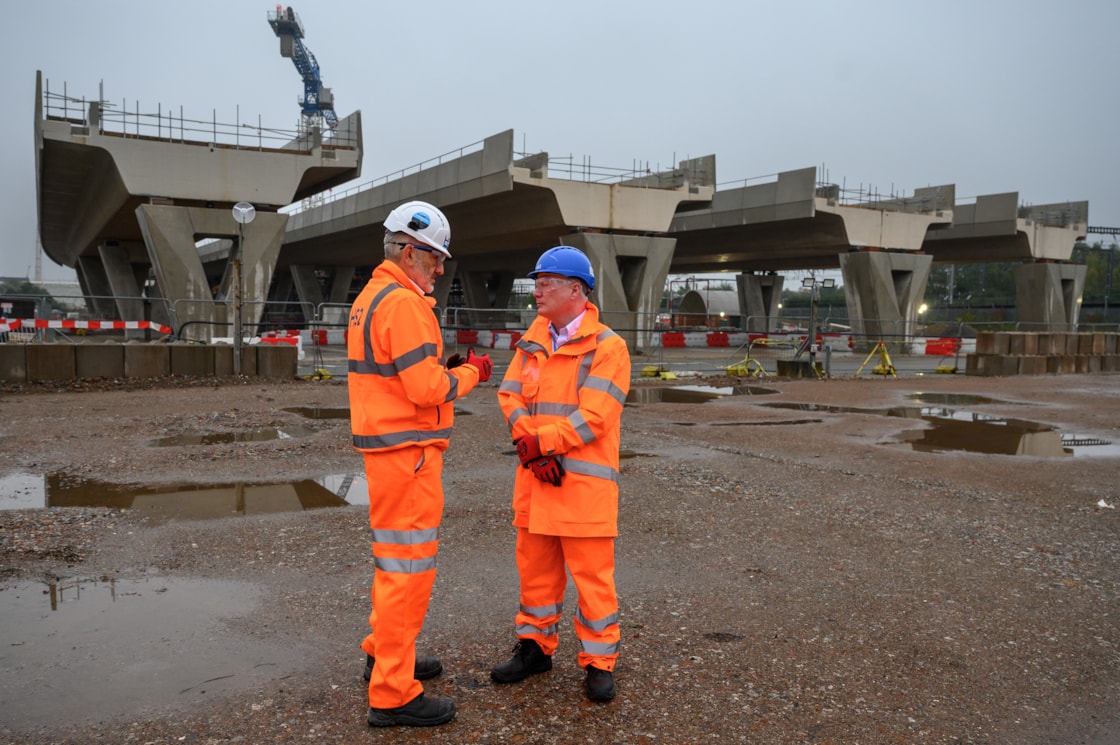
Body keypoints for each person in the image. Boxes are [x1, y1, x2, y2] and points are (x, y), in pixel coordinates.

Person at [347, 200, 493, 727]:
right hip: (408, 455)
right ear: (409, 253)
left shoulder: (373, 296)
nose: (439, 271)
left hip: (388, 451)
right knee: (408, 572)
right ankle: (392, 693)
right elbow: (427, 387)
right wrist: (472, 372)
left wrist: (441, 370)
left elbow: (400, 374)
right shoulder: (406, 304)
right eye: (434, 261)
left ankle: (384, 654)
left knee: (393, 566)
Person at [492, 245, 630, 702]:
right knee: (535, 574)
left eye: (546, 282)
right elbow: (509, 395)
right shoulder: (532, 340)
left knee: (592, 578)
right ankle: (535, 648)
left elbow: (597, 415)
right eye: (537, 283)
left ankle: (598, 662)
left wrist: (540, 444)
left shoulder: (608, 346)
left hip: (581, 488)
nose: (538, 291)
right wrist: (532, 450)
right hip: (537, 480)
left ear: (577, 290)